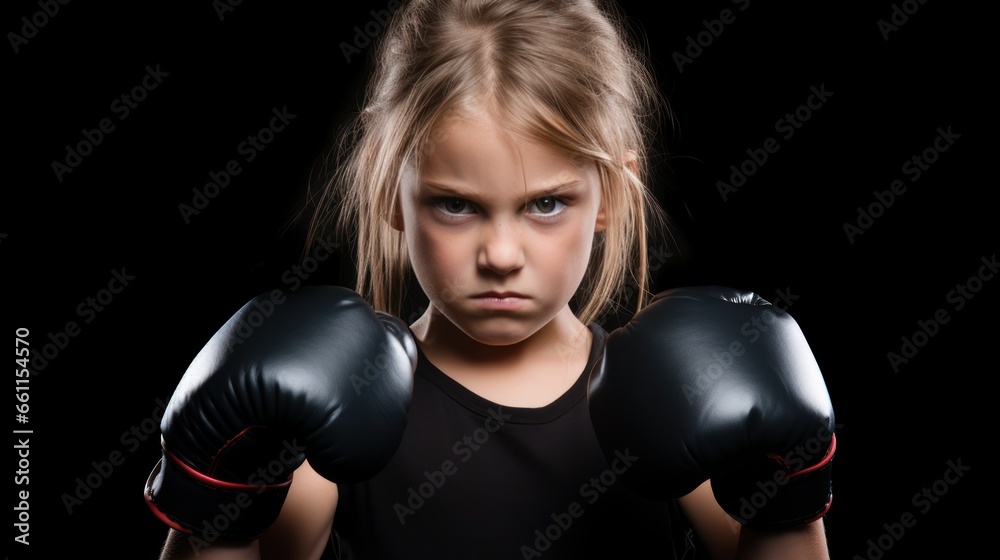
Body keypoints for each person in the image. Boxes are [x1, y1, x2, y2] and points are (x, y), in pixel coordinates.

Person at [147, 1, 836, 558]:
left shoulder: (667, 388)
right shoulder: (341, 402)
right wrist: (213, 500)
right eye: (456, 204)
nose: (501, 254)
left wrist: (792, 494)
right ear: (390, 190)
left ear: (614, 198)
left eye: (546, 203)